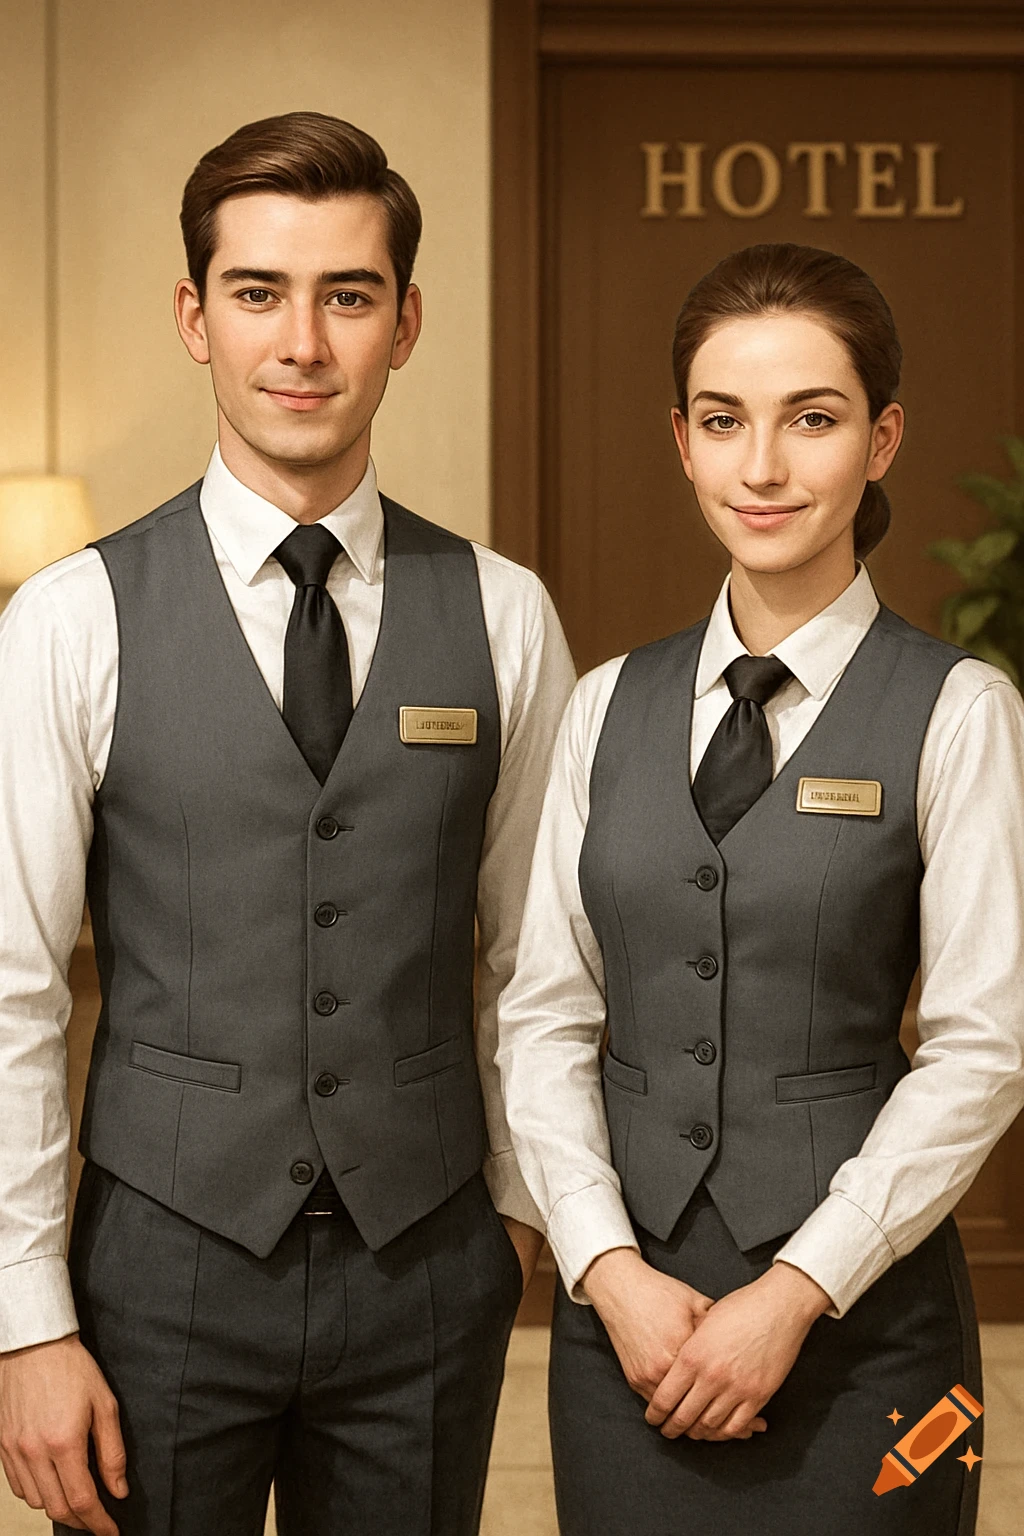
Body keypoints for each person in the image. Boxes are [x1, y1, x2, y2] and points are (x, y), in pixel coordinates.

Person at [0, 111, 574, 1536]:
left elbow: (537, 962)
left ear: (406, 321)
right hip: (159, 1266)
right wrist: (24, 1320)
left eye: (349, 295)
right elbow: (10, 986)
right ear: (196, 317)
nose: (302, 341)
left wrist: (516, 1222)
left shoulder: (507, 616)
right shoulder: (72, 618)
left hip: (427, 1267)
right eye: (258, 292)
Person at [497, 242, 1024, 1535]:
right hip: (625, 1331)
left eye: (814, 419)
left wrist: (795, 1291)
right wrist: (606, 1271)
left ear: (884, 438)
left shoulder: (963, 715)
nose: (764, 467)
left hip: (863, 1322)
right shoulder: (605, 704)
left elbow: (983, 1049)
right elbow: (546, 1019)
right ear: (682, 442)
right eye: (725, 422)